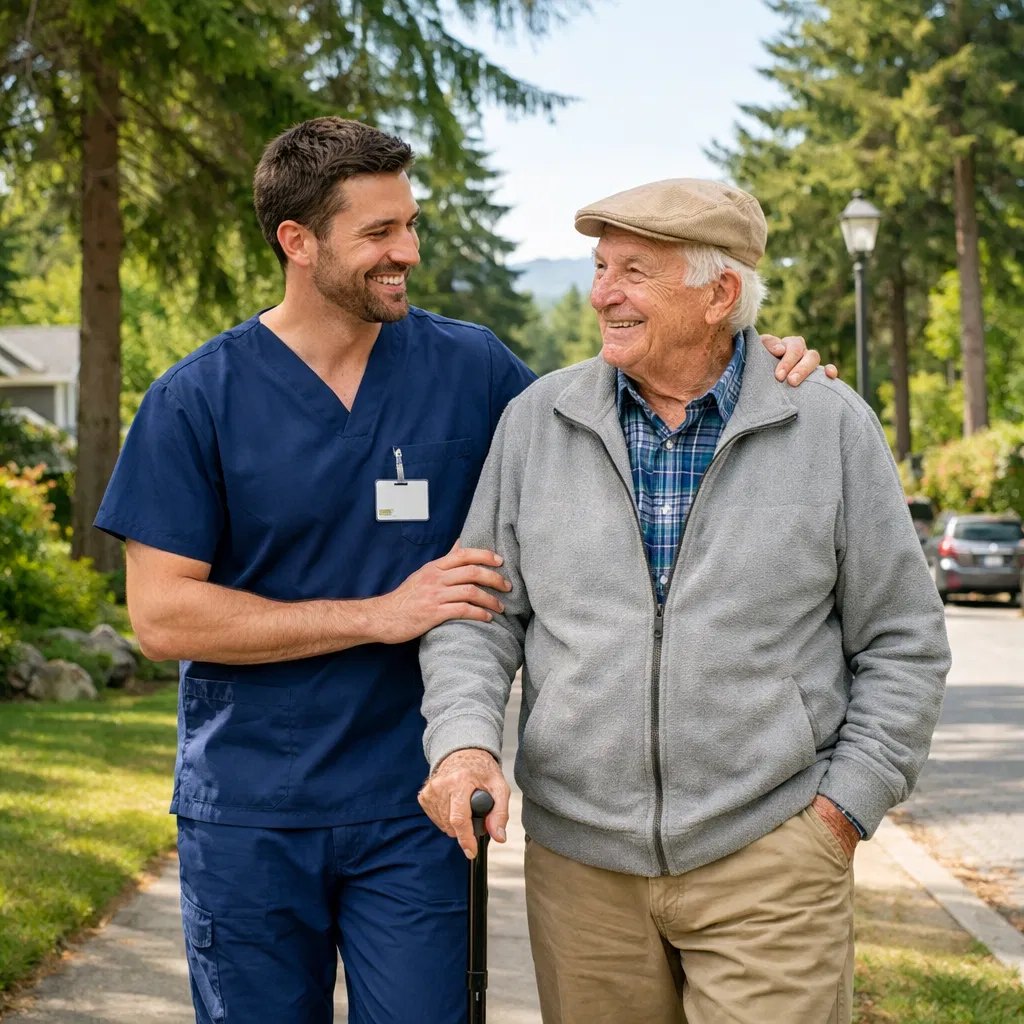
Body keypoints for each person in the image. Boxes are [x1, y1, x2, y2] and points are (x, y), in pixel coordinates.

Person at [96, 121, 830, 1024]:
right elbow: (163, 617)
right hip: (253, 808)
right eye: (377, 233)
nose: (406, 250)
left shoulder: (472, 369)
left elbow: (627, 405)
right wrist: (377, 615)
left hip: (421, 806)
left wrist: (757, 356)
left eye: (411, 224)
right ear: (297, 242)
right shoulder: (194, 399)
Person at [418, 178, 951, 1024]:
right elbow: (478, 615)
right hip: (581, 873)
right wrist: (464, 744)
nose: (603, 294)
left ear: (721, 294)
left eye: (634, 270)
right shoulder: (535, 421)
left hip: (771, 856)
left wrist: (842, 811)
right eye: (599, 268)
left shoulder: (830, 425)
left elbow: (903, 641)